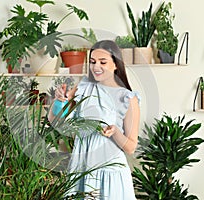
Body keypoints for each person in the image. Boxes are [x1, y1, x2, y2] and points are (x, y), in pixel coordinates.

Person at [48, 40, 140, 199]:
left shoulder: (127, 98)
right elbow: (55, 120)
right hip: (81, 169)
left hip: (110, 173)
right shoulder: (83, 87)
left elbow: (131, 147)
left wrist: (115, 132)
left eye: (103, 62)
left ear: (116, 64)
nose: (96, 66)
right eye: (92, 61)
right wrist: (59, 100)